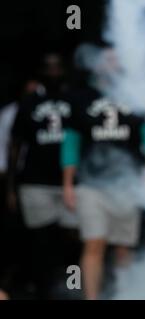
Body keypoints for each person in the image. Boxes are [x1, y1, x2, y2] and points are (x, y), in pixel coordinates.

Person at [62, 47, 145, 300]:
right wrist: (68, 183)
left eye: (118, 59)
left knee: (124, 248)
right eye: (108, 59)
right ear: (96, 64)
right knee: (94, 243)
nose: (113, 63)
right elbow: (71, 141)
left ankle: (123, 295)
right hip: (90, 184)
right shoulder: (81, 97)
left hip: (127, 183)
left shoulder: (135, 95)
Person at [6, 53, 80, 299]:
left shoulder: (75, 100)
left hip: (71, 183)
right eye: (48, 68)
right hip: (34, 182)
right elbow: (15, 145)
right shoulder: (28, 103)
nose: (53, 72)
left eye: (58, 66)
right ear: (40, 72)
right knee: (39, 243)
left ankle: (71, 290)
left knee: (73, 239)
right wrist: (11, 187)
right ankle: (43, 292)